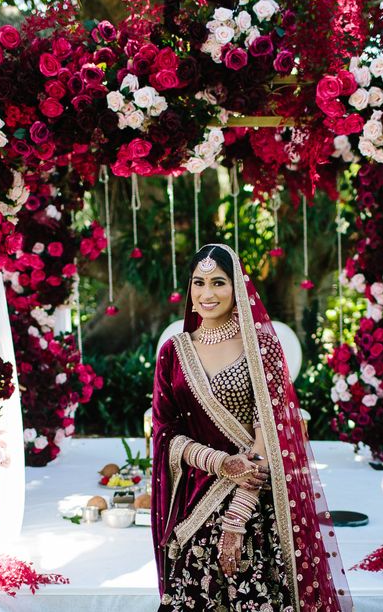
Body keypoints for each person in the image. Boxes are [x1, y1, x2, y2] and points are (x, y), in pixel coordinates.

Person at [151, 243, 352, 611]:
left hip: (254, 503)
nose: (207, 293)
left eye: (218, 282)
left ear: (237, 288)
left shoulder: (262, 348)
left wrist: (237, 516)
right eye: (199, 282)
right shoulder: (173, 351)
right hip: (196, 500)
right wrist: (220, 463)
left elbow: (271, 435)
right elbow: (165, 433)